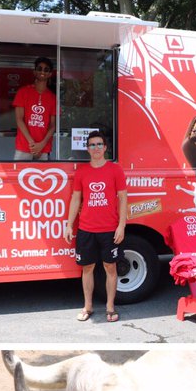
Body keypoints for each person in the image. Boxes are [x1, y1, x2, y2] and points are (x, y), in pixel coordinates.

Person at [64, 131, 128, 322]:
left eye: (99, 144)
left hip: (109, 229)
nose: (96, 148)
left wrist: (122, 226)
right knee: (87, 268)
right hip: (86, 229)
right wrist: (69, 225)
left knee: (110, 267)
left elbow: (123, 198)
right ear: (88, 149)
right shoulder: (82, 171)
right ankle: (88, 307)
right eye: (92, 145)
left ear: (105, 147)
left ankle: (110, 307)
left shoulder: (115, 170)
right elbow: (76, 199)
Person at [13, 57, 57, 160]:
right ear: (34, 71)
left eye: (46, 69)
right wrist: (32, 143)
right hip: (24, 145)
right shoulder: (23, 92)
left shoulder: (53, 98)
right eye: (40, 68)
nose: (43, 71)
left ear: (50, 74)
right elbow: (19, 119)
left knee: (43, 176)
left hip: (43, 147)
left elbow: (52, 125)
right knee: (19, 176)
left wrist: (41, 144)